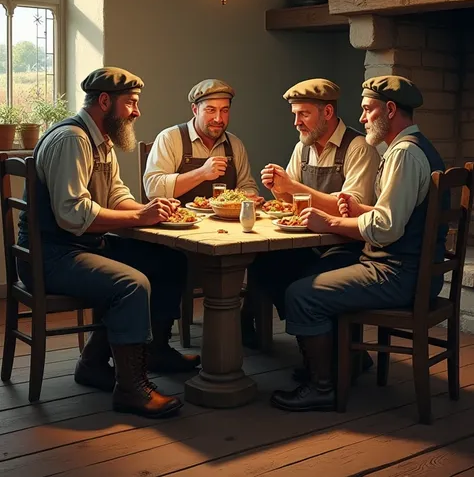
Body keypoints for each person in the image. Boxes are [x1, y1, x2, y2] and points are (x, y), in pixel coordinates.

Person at [17, 67, 200, 419]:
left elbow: (117, 195)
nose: (137, 112)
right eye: (131, 103)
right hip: (51, 255)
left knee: (167, 259)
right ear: (105, 101)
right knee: (131, 284)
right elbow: (73, 215)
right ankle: (132, 389)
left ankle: (125, 357)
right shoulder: (72, 139)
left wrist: (151, 210)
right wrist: (138, 218)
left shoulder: (101, 139)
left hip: (79, 247)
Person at [271, 75, 447, 412]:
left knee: (302, 293)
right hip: (406, 269)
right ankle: (341, 364)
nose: (363, 117)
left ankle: (323, 386)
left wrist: (333, 222)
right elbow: (395, 215)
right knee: (304, 276)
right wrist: (360, 209)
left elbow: (386, 229)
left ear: (390, 110)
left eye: (368, 110)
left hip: (396, 273)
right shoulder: (412, 148)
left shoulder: (404, 155)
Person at [241, 78, 380, 349]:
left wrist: (292, 187)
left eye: (303, 114)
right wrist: (278, 188)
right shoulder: (302, 147)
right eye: (295, 115)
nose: (297, 122)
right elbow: (292, 201)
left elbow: (351, 208)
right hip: (309, 241)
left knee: (306, 280)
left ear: (327, 112)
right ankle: (309, 342)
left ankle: (334, 354)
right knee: (263, 263)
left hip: (347, 246)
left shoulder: (358, 147)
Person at [143, 78, 260, 203]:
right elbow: (153, 190)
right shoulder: (169, 138)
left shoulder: (235, 144)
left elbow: (248, 186)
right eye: (211, 110)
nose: (218, 118)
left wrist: (248, 196)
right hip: (180, 219)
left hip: (226, 221)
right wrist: (202, 173)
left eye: (224, 110)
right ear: (195, 110)